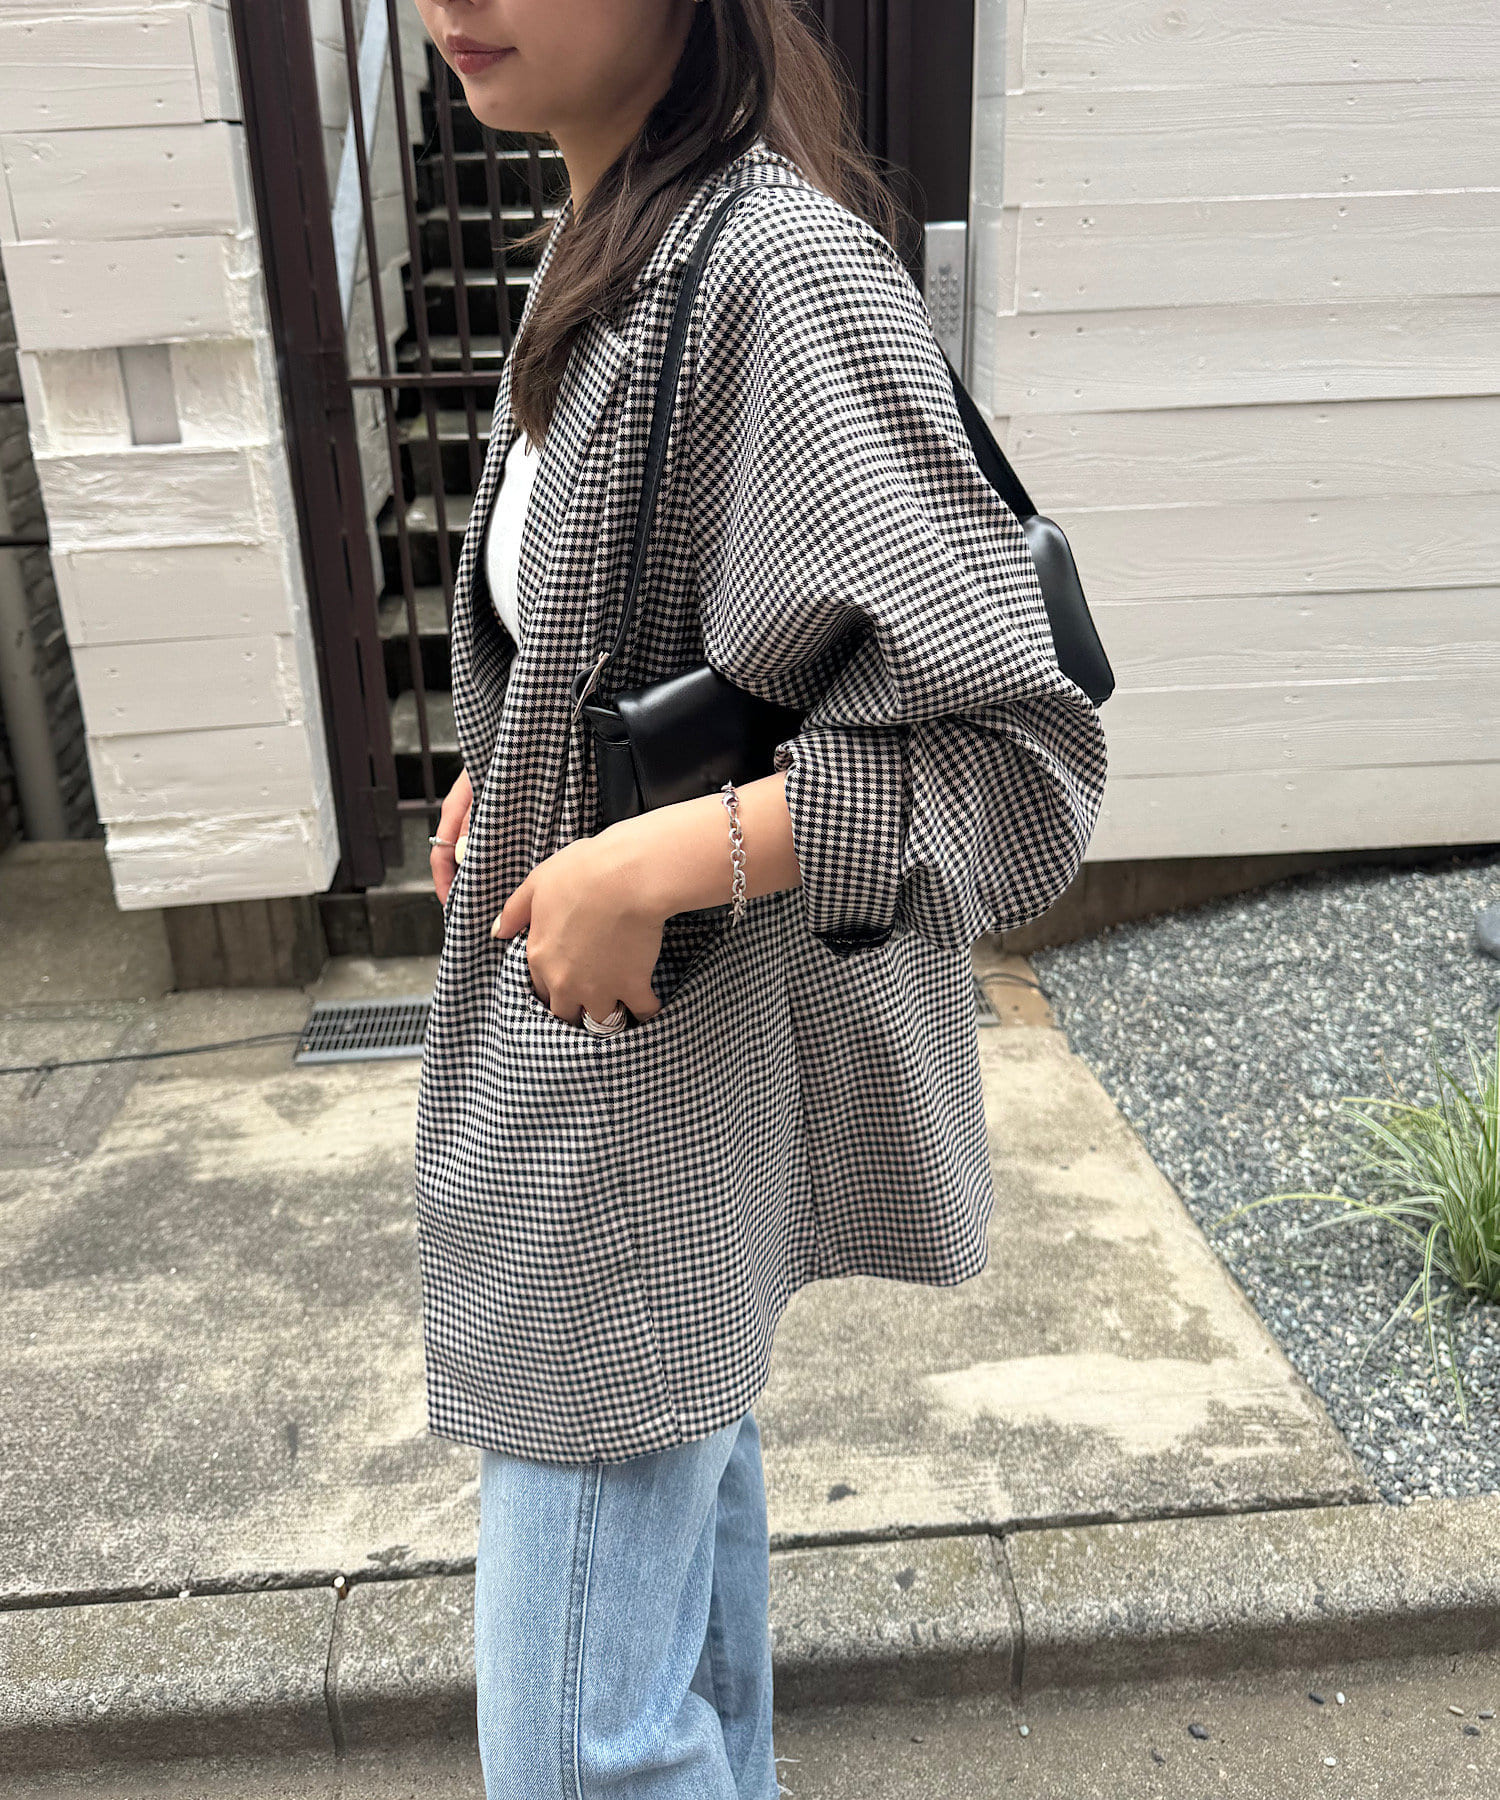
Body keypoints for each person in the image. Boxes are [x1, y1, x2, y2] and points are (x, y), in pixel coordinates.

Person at [410, 3, 1108, 1795]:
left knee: (575, 1751)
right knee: (670, 1596)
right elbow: (627, 624)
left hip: (641, 1112)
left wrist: (655, 859)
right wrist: (522, 775)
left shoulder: (768, 271)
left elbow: (1019, 751)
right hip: (639, 1094)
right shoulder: (606, 238)